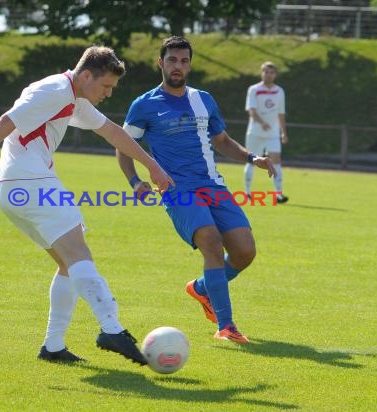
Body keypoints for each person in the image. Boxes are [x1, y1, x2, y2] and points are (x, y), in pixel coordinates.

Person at [0, 45, 174, 364]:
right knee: (80, 255)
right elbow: (6, 121)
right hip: (29, 183)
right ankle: (111, 327)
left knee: (68, 263)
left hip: (16, 188)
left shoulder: (72, 97)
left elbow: (112, 132)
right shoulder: (54, 90)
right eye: (106, 86)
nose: (108, 93)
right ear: (87, 75)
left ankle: (53, 347)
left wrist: (153, 166)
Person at [116, 36, 275, 344]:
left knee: (244, 251)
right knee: (212, 242)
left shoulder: (204, 99)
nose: (178, 66)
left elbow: (223, 142)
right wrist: (135, 181)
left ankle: (202, 288)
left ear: (190, 64)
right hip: (176, 188)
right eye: (172, 60)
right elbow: (124, 146)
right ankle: (226, 326)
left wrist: (252, 158)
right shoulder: (144, 105)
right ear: (160, 63)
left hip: (212, 184)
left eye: (184, 61)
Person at [244, 61, 289, 203]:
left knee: (276, 160)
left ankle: (278, 194)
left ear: (275, 75)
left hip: (272, 134)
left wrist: (283, 132)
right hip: (255, 133)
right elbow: (251, 110)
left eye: (271, 72)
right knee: (252, 161)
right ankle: (247, 192)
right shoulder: (254, 89)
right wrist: (262, 123)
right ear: (261, 73)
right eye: (266, 72)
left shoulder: (279, 91)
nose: (268, 75)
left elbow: (281, 113)